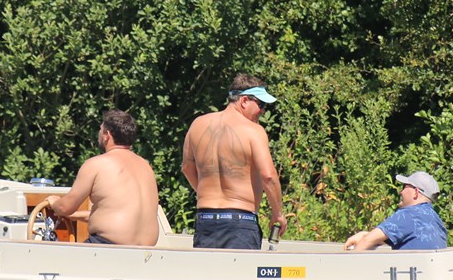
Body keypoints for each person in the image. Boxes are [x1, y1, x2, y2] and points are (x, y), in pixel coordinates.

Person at [181, 73, 286, 249]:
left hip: (205, 219)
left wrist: (206, 193)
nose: (262, 111)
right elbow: (268, 176)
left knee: (207, 268)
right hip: (240, 222)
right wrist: (278, 214)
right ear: (244, 101)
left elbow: (186, 168)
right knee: (241, 269)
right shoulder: (254, 131)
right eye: (261, 104)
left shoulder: (197, 124)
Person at [42, 109, 161, 247]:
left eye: (100, 129)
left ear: (107, 135)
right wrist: (73, 216)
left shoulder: (97, 164)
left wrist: (54, 203)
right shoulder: (146, 166)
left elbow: (65, 207)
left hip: (107, 247)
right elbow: (114, 213)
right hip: (146, 252)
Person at [343, 171, 448, 251]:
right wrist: (364, 234)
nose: (401, 192)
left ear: (416, 192)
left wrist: (347, 265)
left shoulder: (409, 214)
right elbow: (403, 239)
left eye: (404, 187)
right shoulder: (436, 220)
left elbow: (367, 241)